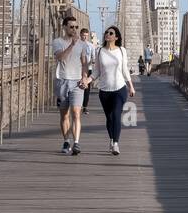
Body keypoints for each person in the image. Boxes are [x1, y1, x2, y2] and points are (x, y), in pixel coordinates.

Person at [86, 25, 134, 155]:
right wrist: (88, 80)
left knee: (116, 115)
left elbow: (124, 69)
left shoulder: (122, 51)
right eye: (107, 32)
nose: (108, 34)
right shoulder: (100, 51)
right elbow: (96, 71)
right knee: (109, 118)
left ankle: (116, 144)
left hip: (120, 89)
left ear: (116, 37)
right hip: (104, 90)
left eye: (111, 33)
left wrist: (130, 86)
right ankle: (112, 139)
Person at [52, 16, 86, 155]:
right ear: (64, 27)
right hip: (62, 81)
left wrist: (84, 77)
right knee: (64, 115)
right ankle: (66, 141)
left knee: (76, 113)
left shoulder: (82, 44)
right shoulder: (57, 42)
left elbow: (84, 63)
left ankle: (76, 143)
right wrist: (72, 44)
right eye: (71, 27)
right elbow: (60, 58)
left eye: (76, 27)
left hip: (77, 82)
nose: (74, 29)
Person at [80, 28, 96, 114]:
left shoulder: (91, 46)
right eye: (83, 35)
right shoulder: (77, 45)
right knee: (78, 87)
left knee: (86, 88)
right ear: (80, 35)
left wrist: (92, 61)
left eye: (86, 36)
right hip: (78, 69)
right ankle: (78, 105)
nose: (85, 37)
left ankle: (85, 107)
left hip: (88, 69)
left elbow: (94, 57)